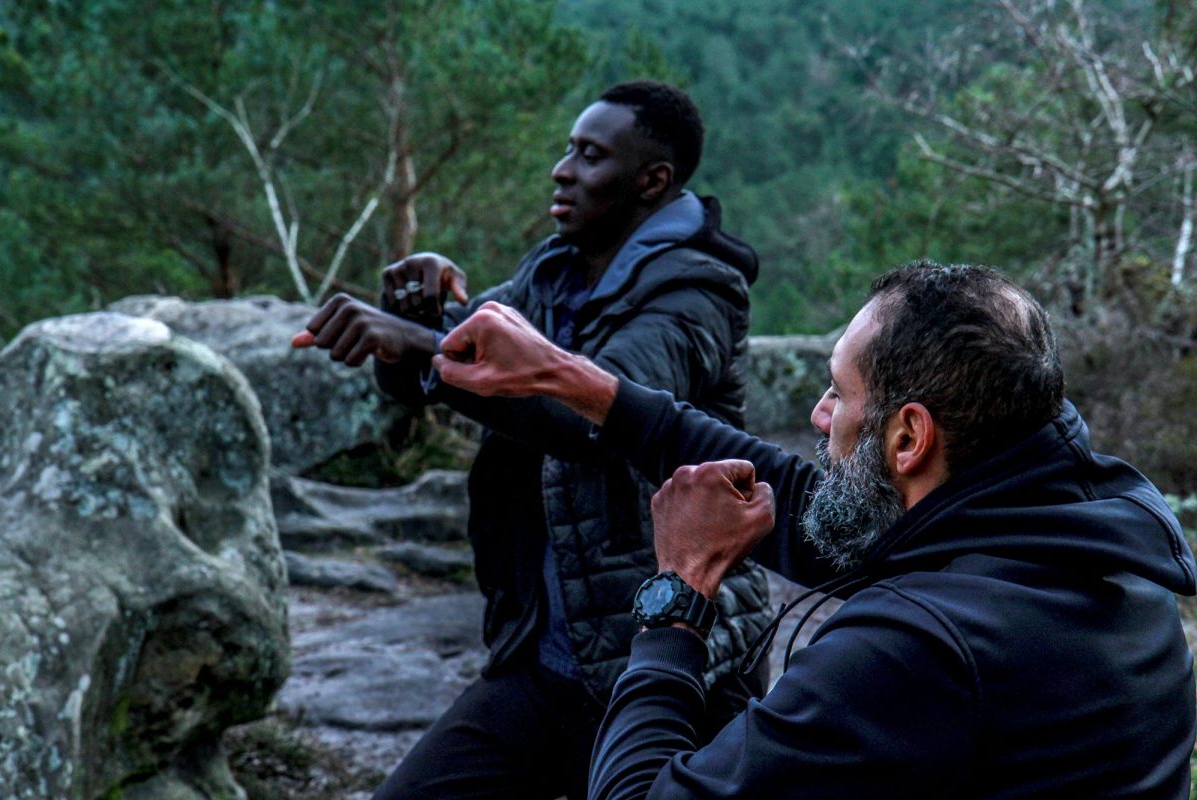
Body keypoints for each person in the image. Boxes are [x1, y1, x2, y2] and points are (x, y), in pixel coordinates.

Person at [430, 261, 1197, 799]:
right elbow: (811, 502)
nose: (817, 417)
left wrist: (677, 594)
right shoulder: (1089, 544)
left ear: (908, 438)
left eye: (837, 392)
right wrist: (567, 375)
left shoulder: (917, 649)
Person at [298, 80, 772, 799]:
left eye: (590, 155)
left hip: (674, 663)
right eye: (567, 149)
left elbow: (597, 415)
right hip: (545, 659)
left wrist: (425, 346)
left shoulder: (698, 291)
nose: (562, 169)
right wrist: (409, 327)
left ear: (652, 181)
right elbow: (444, 371)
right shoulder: (552, 272)